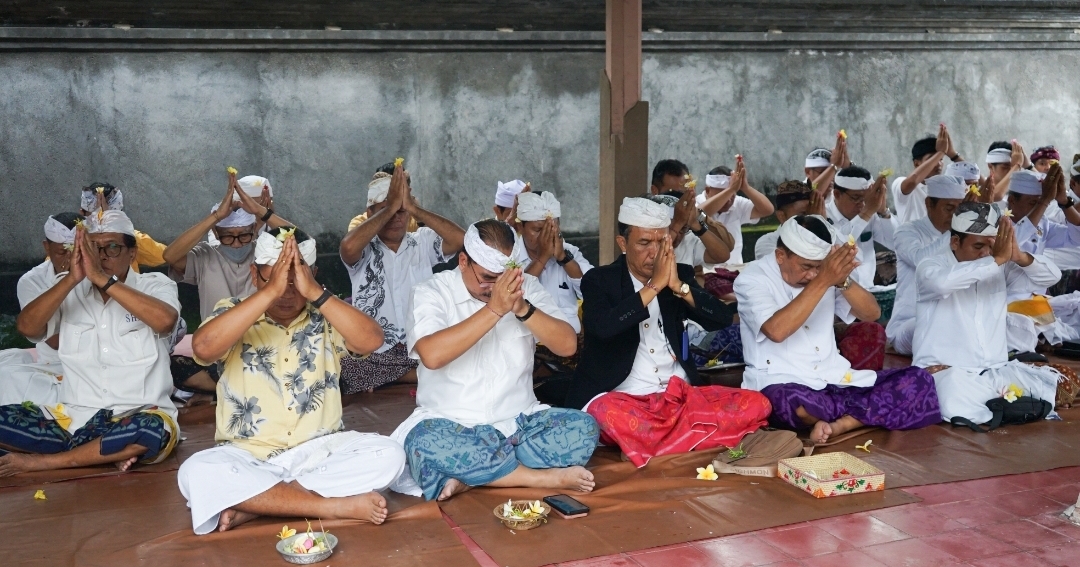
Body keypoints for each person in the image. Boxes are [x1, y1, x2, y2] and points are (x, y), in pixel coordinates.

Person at [177, 229, 406, 534]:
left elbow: (372, 340)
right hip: (248, 453)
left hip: (320, 451)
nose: (285, 294)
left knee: (390, 455)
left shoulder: (326, 313)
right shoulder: (232, 310)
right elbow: (204, 348)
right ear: (254, 274)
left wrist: (315, 293)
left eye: (295, 283)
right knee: (194, 472)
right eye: (274, 280)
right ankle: (328, 507)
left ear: (312, 276)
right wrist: (268, 293)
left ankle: (259, 504)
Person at [389, 219, 598, 501]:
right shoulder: (431, 291)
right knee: (423, 442)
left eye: (503, 278)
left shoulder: (525, 288)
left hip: (519, 424)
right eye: (488, 278)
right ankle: (540, 478)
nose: (496, 288)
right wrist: (495, 309)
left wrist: (522, 308)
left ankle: (474, 476)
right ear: (463, 261)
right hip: (451, 425)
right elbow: (432, 355)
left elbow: (567, 345)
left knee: (583, 429)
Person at [565, 197, 770, 466]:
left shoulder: (678, 275)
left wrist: (678, 288)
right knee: (605, 414)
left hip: (679, 397)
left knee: (758, 403)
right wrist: (653, 287)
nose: (654, 252)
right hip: (625, 398)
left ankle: (654, 444)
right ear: (623, 244)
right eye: (644, 243)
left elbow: (721, 318)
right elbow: (603, 328)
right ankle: (693, 437)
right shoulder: (599, 280)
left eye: (661, 242)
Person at [1, 211, 181, 476]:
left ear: (132, 253)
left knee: (150, 430)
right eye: (93, 248)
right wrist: (72, 279)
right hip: (73, 420)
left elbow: (165, 321)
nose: (101, 256)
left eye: (112, 247)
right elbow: (28, 328)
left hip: (137, 414)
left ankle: (46, 461)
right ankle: (102, 453)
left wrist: (103, 280)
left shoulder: (154, 285)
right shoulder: (68, 288)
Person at [735, 215, 941, 444]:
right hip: (783, 382)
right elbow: (776, 331)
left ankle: (841, 424)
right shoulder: (751, 279)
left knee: (918, 380)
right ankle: (858, 412)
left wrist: (842, 280)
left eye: (818, 267)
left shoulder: (827, 276)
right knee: (791, 404)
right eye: (806, 267)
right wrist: (823, 279)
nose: (812, 275)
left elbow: (871, 314)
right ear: (780, 256)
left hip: (835, 379)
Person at [913, 203, 1060, 424]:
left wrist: (1019, 256)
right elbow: (942, 284)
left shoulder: (999, 266)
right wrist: (996, 260)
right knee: (954, 398)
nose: (985, 253)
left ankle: (997, 405)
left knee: (1045, 387)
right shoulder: (931, 266)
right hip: (948, 373)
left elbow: (1052, 276)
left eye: (991, 246)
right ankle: (1001, 406)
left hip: (993, 371)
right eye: (978, 246)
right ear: (955, 242)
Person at [163, 171, 295, 395]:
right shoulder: (205, 256)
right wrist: (215, 217)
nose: (236, 244)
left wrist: (263, 213)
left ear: (254, 230)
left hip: (263, 349)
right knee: (175, 366)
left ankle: (228, 392)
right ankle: (235, 391)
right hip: (218, 353)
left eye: (243, 235)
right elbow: (170, 256)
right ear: (216, 233)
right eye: (228, 236)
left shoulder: (265, 254)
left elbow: (302, 244)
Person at [339, 164, 465, 393]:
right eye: (387, 211)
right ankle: (413, 376)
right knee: (346, 367)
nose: (396, 218)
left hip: (418, 347)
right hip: (375, 354)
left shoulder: (422, 241)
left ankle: (398, 376)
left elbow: (461, 240)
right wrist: (392, 206)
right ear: (370, 214)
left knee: (449, 356)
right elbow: (347, 247)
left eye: (401, 212)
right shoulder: (363, 248)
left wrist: (414, 208)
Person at [0, 213, 83, 407]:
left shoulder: (101, 275)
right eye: (62, 252)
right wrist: (69, 280)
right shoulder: (31, 281)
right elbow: (53, 341)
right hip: (53, 364)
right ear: (47, 247)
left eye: (77, 252)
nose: (71, 259)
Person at [885, 175, 967, 355]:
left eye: (960, 210)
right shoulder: (907, 231)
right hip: (909, 324)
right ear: (929, 203)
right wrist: (957, 231)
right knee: (938, 326)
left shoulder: (962, 238)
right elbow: (920, 260)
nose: (955, 216)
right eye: (949, 208)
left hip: (953, 320)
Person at [1003, 167, 1080, 352]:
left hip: (1035, 301)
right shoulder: (998, 222)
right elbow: (1015, 241)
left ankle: (1050, 339)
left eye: (1041, 202)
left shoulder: (1042, 224)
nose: (1040, 208)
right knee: (1022, 328)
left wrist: (1064, 202)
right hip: (1006, 303)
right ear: (1012, 200)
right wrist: (1044, 201)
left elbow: (1076, 238)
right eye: (1033, 203)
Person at [517, 191, 593, 332]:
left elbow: (593, 292)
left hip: (570, 340)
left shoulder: (570, 252)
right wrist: (542, 258)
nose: (546, 236)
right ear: (520, 227)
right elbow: (515, 296)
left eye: (551, 229)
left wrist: (564, 258)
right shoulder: (509, 256)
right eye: (538, 230)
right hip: (530, 340)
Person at [826, 165, 898, 288]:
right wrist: (867, 213)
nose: (863, 204)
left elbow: (895, 243)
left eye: (867, 199)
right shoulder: (823, 215)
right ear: (837, 194)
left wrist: (883, 211)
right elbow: (841, 248)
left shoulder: (869, 212)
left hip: (868, 290)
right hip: (837, 293)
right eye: (856, 198)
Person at [696, 159, 773, 265]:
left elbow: (767, 210)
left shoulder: (737, 203)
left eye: (732, 195)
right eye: (723, 195)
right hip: (704, 271)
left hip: (734, 270)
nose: (728, 200)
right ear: (708, 191)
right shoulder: (696, 203)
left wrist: (746, 188)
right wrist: (731, 190)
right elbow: (697, 215)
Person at [78, 182, 168, 272]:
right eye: (95, 217)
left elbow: (163, 257)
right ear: (82, 214)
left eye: (111, 216)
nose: (102, 222)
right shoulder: (72, 242)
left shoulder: (132, 237)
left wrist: (126, 236)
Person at [892, 125, 961, 224]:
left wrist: (953, 154)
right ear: (917, 164)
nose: (939, 163)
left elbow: (974, 177)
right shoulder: (900, 183)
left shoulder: (945, 188)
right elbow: (913, 180)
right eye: (932, 159)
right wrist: (941, 152)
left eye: (941, 159)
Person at [754, 180, 813, 260]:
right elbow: (790, 265)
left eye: (812, 214)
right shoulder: (767, 243)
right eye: (803, 214)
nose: (809, 219)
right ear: (781, 216)